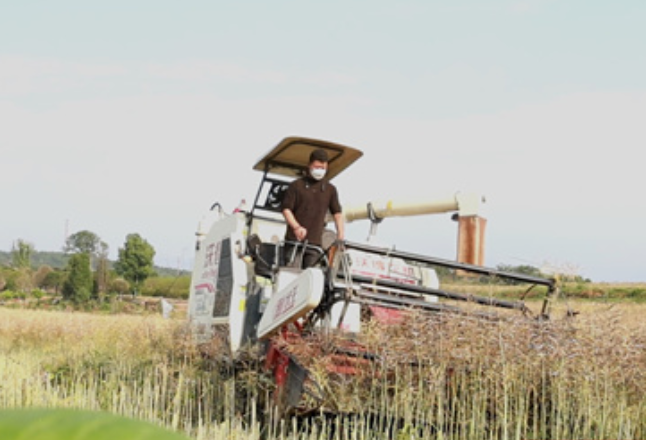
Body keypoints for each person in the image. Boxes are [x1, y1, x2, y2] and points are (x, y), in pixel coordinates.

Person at [281, 148, 345, 268]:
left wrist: (340, 234)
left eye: (323, 168)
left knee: (310, 276)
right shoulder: (296, 186)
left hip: (315, 244)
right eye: (317, 167)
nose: (320, 170)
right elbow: (286, 209)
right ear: (309, 165)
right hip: (294, 242)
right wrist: (296, 227)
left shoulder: (330, 189)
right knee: (291, 274)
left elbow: (337, 213)